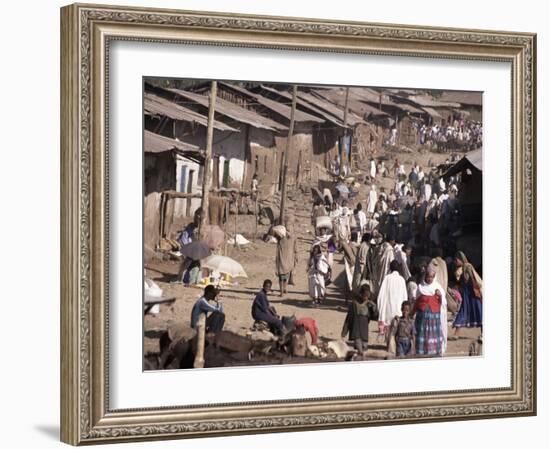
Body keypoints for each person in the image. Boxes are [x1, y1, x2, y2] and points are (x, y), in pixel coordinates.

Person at [413, 267, 446, 356]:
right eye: (428, 276)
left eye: (431, 277)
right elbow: (416, 301)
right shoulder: (420, 287)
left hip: (434, 317)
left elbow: (443, 303)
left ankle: (434, 351)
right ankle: (421, 351)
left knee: (433, 334)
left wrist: (440, 296)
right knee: (421, 333)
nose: (429, 279)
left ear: (434, 277)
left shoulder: (437, 287)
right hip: (422, 317)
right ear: (425, 276)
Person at [451, 251, 483, 339]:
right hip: (466, 294)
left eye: (456, 260)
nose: (455, 262)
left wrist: (478, 291)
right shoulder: (460, 269)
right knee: (463, 311)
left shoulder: (467, 267)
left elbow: (473, 279)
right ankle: (456, 334)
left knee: (479, 311)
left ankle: (483, 333)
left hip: (473, 293)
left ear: (461, 259)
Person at [341, 284, 378, 356]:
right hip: (356, 330)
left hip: (364, 332)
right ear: (361, 294)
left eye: (367, 296)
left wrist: (374, 308)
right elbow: (349, 319)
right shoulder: (354, 304)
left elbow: (375, 317)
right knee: (360, 350)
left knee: (364, 347)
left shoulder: (369, 305)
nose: (366, 298)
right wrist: (344, 332)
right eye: (365, 295)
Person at [377, 260, 408, 338]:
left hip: (388, 308)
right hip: (399, 309)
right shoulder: (402, 280)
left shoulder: (387, 278)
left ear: (390, 268)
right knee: (397, 328)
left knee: (389, 327)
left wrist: (380, 308)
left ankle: (389, 344)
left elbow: (381, 295)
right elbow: (405, 296)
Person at [275, 231, 297, 297]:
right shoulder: (291, 240)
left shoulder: (280, 241)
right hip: (288, 262)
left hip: (281, 261)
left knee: (281, 278)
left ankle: (282, 291)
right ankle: (284, 289)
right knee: (285, 277)